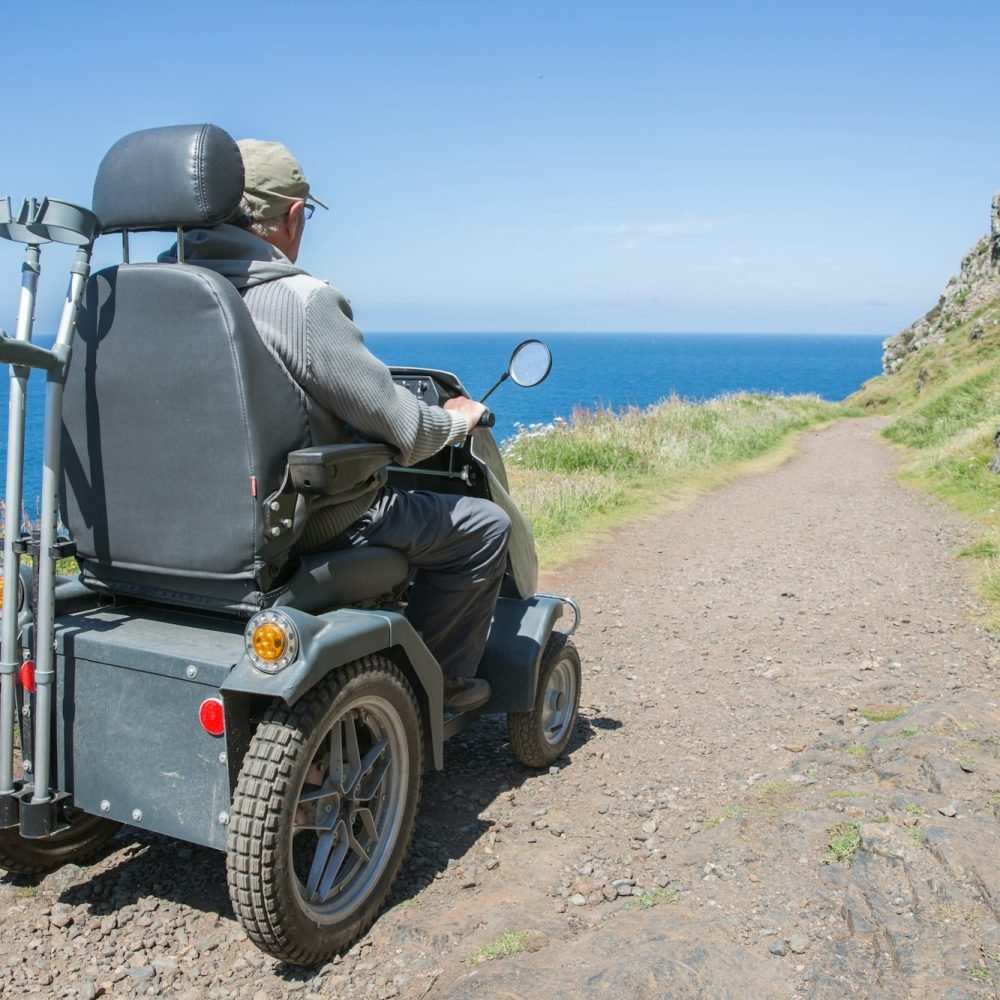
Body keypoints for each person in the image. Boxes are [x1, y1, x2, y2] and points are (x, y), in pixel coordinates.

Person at [159, 138, 510, 711]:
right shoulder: (300, 302)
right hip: (293, 529)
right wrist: (453, 420)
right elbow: (406, 431)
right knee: (483, 525)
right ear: (293, 216)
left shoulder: (126, 296)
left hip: (156, 527)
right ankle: (436, 689)